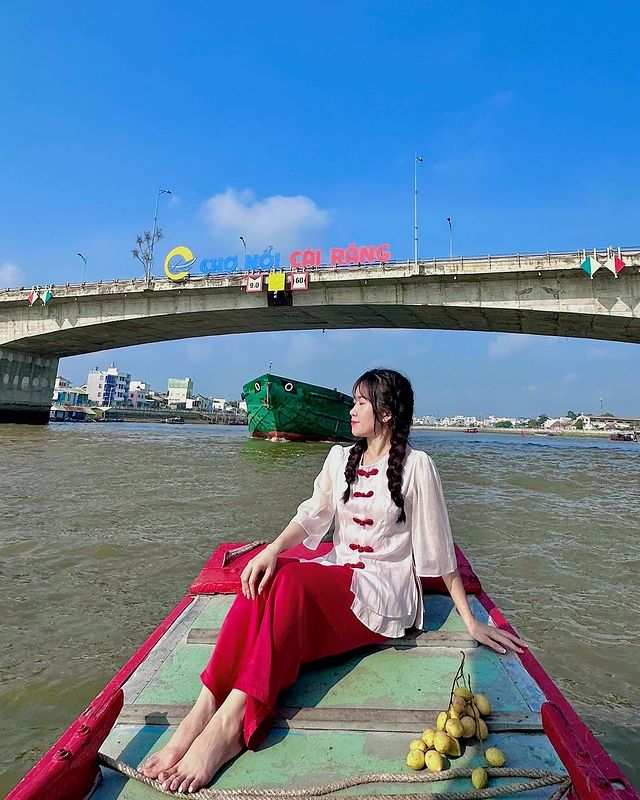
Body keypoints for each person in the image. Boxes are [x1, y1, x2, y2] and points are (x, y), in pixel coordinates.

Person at [141, 368, 527, 794]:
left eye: (361, 402)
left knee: (291, 584)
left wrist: (471, 621)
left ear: (386, 414)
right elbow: (311, 515)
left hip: (384, 595)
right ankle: (204, 707)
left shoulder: (418, 468)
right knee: (266, 577)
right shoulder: (340, 459)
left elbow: (440, 552)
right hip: (340, 577)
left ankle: (231, 723)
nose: (351, 408)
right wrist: (270, 550)